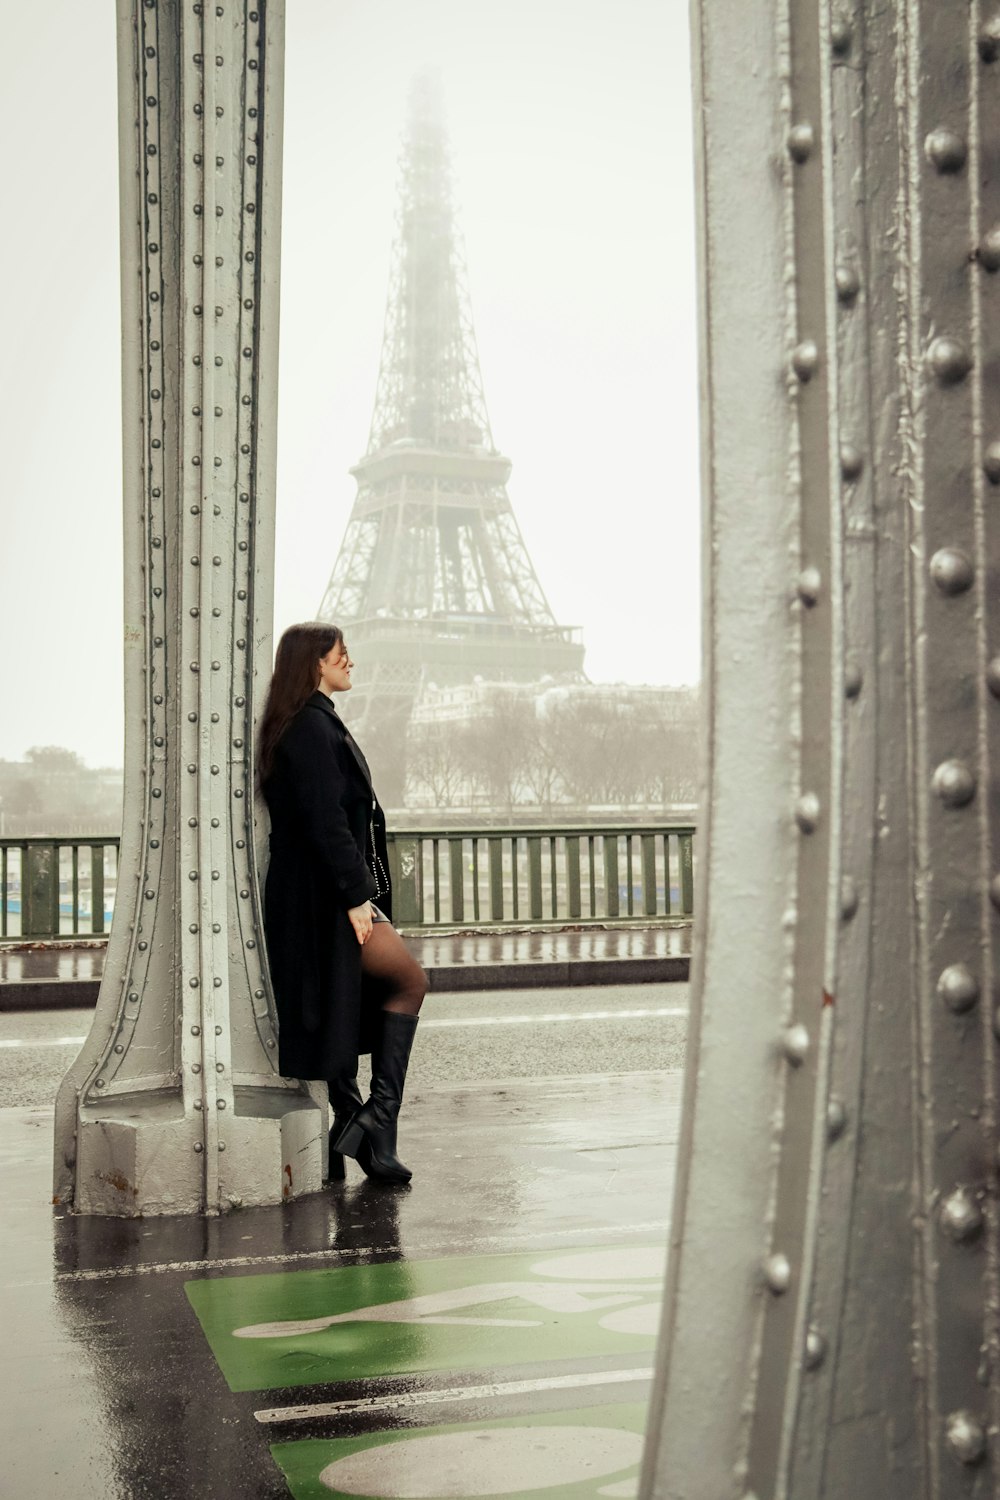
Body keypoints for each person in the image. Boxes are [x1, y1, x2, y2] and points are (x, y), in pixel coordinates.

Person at [257, 621, 427, 1185]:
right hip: (323, 896)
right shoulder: (309, 726)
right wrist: (358, 898)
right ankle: (373, 1122)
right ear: (316, 665)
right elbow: (325, 818)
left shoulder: (309, 722)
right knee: (408, 981)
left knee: (343, 1002)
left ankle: (357, 1127)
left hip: (316, 892)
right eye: (340, 655)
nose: (349, 662)